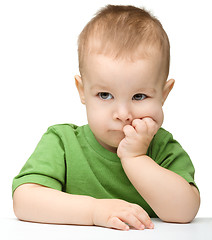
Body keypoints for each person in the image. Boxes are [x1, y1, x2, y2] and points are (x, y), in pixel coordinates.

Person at [12, 5, 200, 231]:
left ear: (164, 94)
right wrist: (94, 211)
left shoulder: (162, 149)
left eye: (139, 96)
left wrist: (135, 158)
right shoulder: (62, 143)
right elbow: (24, 201)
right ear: (82, 91)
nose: (122, 114)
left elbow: (184, 212)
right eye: (105, 95)